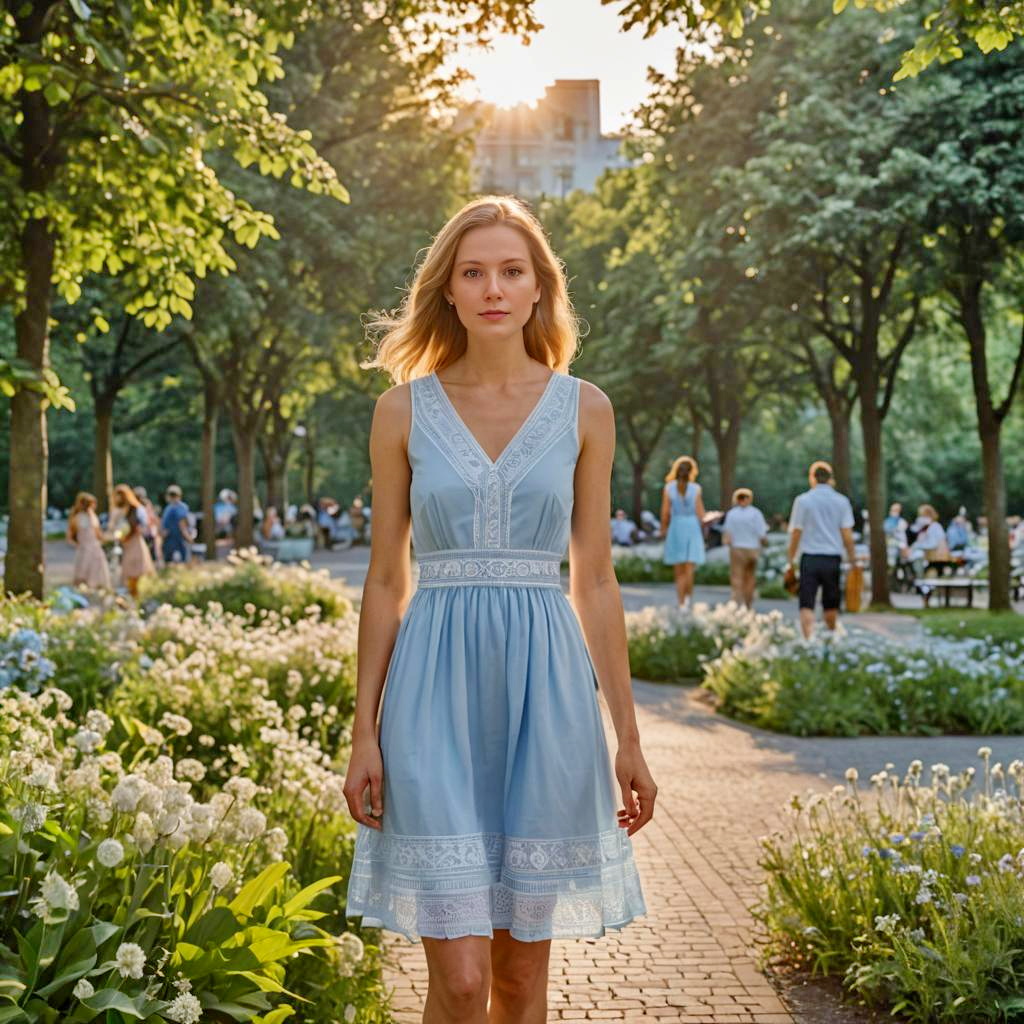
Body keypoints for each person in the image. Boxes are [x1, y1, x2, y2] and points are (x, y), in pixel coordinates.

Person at [341, 195, 652, 1020]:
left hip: (546, 695)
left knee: (517, 979)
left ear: (540, 287)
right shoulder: (400, 411)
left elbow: (594, 579)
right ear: (447, 289)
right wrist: (362, 729)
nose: (492, 288)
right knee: (464, 978)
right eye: (472, 271)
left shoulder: (585, 409)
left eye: (512, 271)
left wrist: (629, 736)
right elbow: (384, 580)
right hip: (430, 693)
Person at [786, 461, 857, 639]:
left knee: (806, 603)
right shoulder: (842, 502)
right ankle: (830, 639)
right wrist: (853, 559)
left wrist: (790, 560)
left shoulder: (803, 501)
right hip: (832, 557)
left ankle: (808, 640)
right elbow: (847, 535)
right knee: (831, 603)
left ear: (812, 478)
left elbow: (796, 532)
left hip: (809, 557)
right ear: (831, 478)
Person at [660, 455, 706, 610]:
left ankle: (680, 603)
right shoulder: (696, 489)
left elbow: (665, 512)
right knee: (689, 569)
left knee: (678, 570)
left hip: (676, 526)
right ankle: (689, 601)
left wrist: (663, 529)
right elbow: (701, 514)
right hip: (692, 526)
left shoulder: (668, 488)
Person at [722, 487, 768, 608]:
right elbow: (762, 534)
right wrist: (765, 545)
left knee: (737, 577)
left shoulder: (732, 514)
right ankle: (748, 604)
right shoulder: (756, 513)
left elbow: (727, 534)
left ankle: (737, 604)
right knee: (750, 577)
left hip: (737, 548)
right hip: (752, 548)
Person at [109, 483, 155, 596]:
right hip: (123, 544)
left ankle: (136, 595)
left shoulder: (135, 509)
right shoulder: (116, 510)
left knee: (136, 572)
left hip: (135, 542)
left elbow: (144, 524)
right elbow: (112, 527)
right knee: (127, 574)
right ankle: (131, 596)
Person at [66, 492, 111, 590]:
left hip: (89, 548)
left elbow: (98, 534)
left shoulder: (83, 517)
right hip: (89, 548)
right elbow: (98, 534)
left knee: (89, 574)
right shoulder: (84, 517)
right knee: (90, 574)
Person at [160, 485, 193, 564]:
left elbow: (182, 524)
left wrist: (187, 537)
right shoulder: (170, 507)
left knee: (181, 562)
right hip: (171, 540)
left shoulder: (178, 507)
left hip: (179, 540)